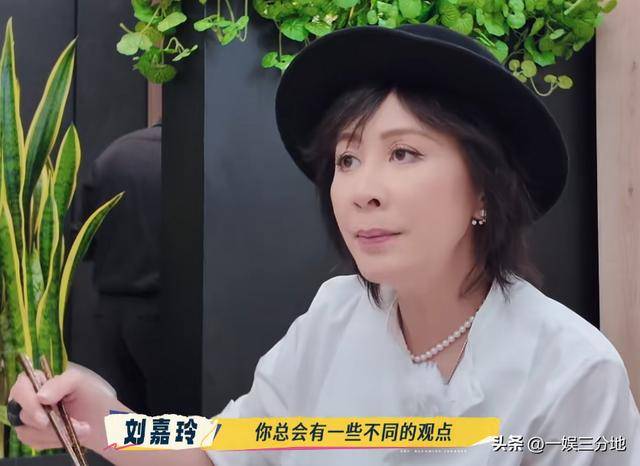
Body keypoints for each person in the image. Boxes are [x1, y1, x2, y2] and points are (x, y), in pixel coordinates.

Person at [6, 24, 639, 466]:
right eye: (346, 159)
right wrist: (108, 423)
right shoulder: (335, 318)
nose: (362, 190)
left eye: (403, 153)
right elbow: (226, 448)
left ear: (484, 190)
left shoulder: (572, 372)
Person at [73, 120, 164, 415]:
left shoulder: (114, 153)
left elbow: (83, 241)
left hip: (110, 313)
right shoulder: (184, 156)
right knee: (169, 419)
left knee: (121, 419)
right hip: (160, 315)